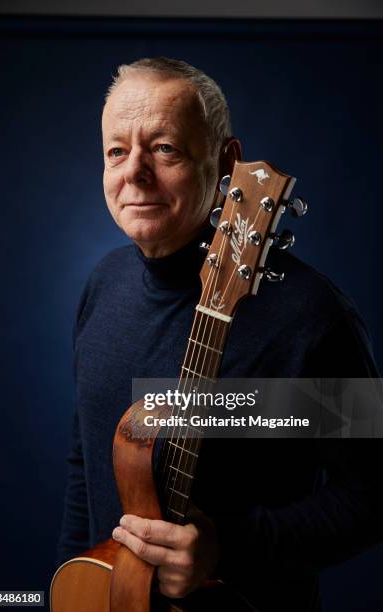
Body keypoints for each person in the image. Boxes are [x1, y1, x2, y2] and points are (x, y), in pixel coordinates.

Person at [57, 58, 382, 611]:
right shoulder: (104, 286)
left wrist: (228, 547)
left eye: (164, 148)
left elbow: (374, 493)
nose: (134, 173)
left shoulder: (307, 314)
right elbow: (85, 467)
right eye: (117, 151)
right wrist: (72, 583)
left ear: (226, 161)